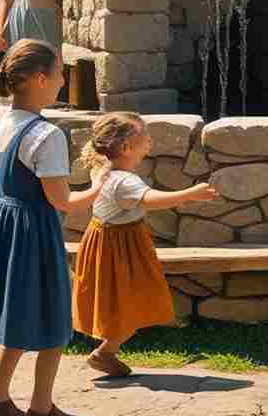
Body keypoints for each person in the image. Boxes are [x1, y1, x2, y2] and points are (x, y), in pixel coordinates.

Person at [0, 40, 106, 416]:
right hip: (33, 231)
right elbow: (63, 202)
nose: (61, 81)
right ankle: (41, 409)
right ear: (40, 79)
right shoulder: (46, 135)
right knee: (54, 317)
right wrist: (99, 185)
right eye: (58, 73)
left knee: (16, 315)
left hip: (3, 228)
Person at [73, 113, 219, 378]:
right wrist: (189, 194)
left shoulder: (104, 168)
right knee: (132, 301)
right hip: (119, 247)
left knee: (127, 302)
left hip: (110, 240)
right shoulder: (124, 181)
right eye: (144, 137)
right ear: (126, 148)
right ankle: (105, 353)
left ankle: (105, 353)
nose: (150, 141)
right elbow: (150, 199)